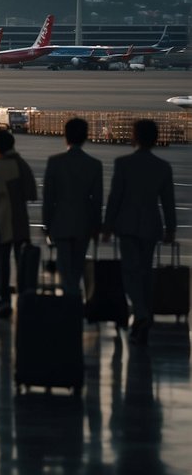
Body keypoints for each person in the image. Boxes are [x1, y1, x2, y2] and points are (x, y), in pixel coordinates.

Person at [103, 119, 176, 346]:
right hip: (151, 226)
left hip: (127, 225)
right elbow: (168, 202)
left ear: (135, 136)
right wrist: (170, 228)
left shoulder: (123, 164)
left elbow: (115, 198)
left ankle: (141, 314)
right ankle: (145, 315)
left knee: (129, 272)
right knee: (145, 272)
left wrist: (107, 225)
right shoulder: (163, 167)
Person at [42, 118, 103, 299]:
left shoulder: (55, 162)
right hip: (83, 223)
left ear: (65, 136)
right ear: (85, 137)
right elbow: (97, 200)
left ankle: (71, 298)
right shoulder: (94, 165)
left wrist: (47, 223)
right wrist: (96, 226)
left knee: (64, 265)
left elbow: (48, 197)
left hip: (60, 221)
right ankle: (74, 296)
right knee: (77, 266)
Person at [0, 129, 38, 318]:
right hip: (20, 223)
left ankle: (3, 299)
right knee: (21, 262)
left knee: (2, 264)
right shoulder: (21, 164)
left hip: (1, 222)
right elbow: (31, 192)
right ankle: (25, 297)